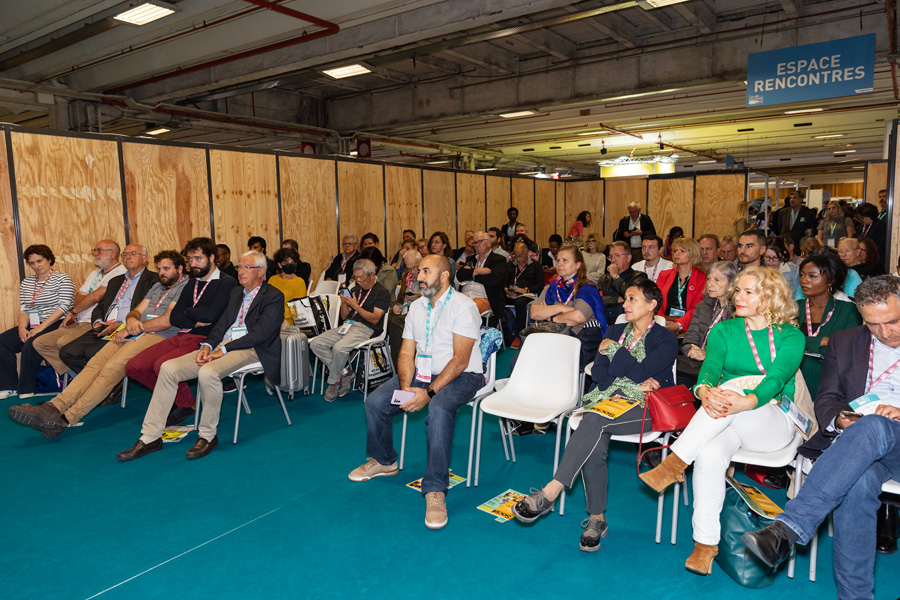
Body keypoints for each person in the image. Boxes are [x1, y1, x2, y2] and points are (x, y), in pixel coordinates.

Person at [639, 266, 805, 576]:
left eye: (747, 292)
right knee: (709, 455)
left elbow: (778, 377)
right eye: (737, 290)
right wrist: (703, 391)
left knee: (732, 388)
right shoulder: (723, 331)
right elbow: (709, 369)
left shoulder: (791, 335)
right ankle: (705, 545)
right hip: (726, 415)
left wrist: (747, 399)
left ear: (769, 299)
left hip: (772, 420)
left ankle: (674, 463)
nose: (737, 296)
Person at [742, 276, 900, 598]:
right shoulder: (845, 341)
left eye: (894, 321)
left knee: (873, 427)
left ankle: (788, 529)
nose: (885, 333)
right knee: (859, 482)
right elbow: (826, 398)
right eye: (873, 324)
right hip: (857, 444)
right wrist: (840, 419)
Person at [511, 279, 677, 551]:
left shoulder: (666, 339)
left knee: (594, 421)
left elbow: (637, 371)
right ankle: (597, 518)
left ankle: (551, 490)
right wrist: (631, 377)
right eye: (625, 299)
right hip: (607, 402)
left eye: (632, 299)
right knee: (595, 430)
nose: (624, 304)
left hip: (646, 407)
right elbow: (599, 373)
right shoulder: (614, 329)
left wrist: (614, 352)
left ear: (652, 304)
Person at [348, 254, 484, 530]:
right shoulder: (418, 307)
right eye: (419, 271)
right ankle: (384, 460)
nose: (419, 276)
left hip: (463, 375)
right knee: (375, 402)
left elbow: (459, 361)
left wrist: (428, 393)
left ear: (444, 276)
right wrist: (408, 386)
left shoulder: (463, 307)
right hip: (422, 375)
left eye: (426, 271)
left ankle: (435, 488)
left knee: (438, 410)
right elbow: (407, 351)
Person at [116, 251, 284, 461]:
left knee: (208, 372)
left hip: (252, 348)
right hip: (223, 345)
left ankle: (207, 435)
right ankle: (150, 436)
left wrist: (223, 349)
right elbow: (221, 324)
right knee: (168, 368)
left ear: (260, 271)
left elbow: (261, 333)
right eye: (239, 267)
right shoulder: (236, 293)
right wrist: (207, 345)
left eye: (246, 267)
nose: (240, 271)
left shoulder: (274, 296)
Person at [7, 251, 188, 439]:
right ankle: (53, 407)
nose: (162, 273)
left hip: (159, 335)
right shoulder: (158, 285)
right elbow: (135, 311)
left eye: (166, 269)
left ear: (180, 268)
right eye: (159, 269)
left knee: (110, 369)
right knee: (94, 364)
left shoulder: (185, 286)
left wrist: (132, 327)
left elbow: (166, 321)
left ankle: (65, 419)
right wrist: (131, 322)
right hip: (134, 331)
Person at [125, 237, 239, 427]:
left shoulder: (226, 282)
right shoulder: (190, 283)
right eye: (190, 259)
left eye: (197, 259)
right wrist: (193, 316)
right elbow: (175, 317)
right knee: (133, 366)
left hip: (205, 338)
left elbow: (212, 315)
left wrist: (188, 312)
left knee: (161, 365)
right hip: (181, 334)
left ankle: (184, 404)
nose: (192, 264)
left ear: (211, 257)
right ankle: (180, 401)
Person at [33, 240, 125, 385]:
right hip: (79, 319)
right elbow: (78, 298)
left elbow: (96, 297)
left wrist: (74, 310)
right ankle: (80, 377)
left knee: (63, 344)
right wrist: (79, 307)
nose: (95, 254)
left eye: (99, 251)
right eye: (94, 250)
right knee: (40, 343)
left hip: (94, 322)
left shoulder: (121, 272)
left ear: (113, 253)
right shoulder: (95, 273)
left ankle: (96, 381)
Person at [56, 244, 156, 375]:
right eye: (125, 255)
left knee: (91, 353)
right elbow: (100, 306)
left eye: (133, 254)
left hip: (126, 328)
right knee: (67, 352)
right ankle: (103, 383)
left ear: (145, 259)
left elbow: (151, 310)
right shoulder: (115, 281)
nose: (128, 257)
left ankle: (106, 383)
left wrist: (121, 325)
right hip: (104, 326)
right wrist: (97, 322)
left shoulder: (154, 280)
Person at [310, 258, 391, 401]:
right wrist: (344, 304)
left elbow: (375, 319)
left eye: (361, 277)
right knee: (316, 343)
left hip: (366, 328)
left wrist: (356, 306)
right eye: (356, 277)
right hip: (347, 325)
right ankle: (345, 372)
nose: (358, 281)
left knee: (339, 348)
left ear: (372, 275)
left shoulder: (382, 292)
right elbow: (345, 316)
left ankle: (333, 382)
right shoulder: (354, 290)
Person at [0, 245, 75, 400]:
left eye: (39, 261)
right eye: (32, 263)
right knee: (2, 341)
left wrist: (41, 327)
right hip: (33, 323)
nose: (36, 266)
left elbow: (63, 307)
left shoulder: (63, 278)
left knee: (31, 343)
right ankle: (8, 386)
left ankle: (26, 388)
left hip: (57, 322)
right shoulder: (27, 282)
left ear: (49, 259)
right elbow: (24, 308)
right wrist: (22, 328)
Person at [796, 252, 861, 397]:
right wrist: (821, 341)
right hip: (795, 375)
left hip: (830, 377)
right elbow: (781, 341)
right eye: (802, 275)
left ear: (830, 281)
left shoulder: (848, 309)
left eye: (812, 276)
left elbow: (849, 347)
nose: (804, 280)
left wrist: (802, 344)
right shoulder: (793, 308)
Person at [530, 246, 608, 350]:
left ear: (578, 264)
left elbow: (578, 317)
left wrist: (550, 317)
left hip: (582, 342)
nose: (559, 264)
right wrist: (560, 308)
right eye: (558, 260)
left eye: (565, 260)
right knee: (521, 357)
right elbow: (534, 312)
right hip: (557, 336)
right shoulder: (553, 287)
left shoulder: (587, 287)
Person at [679, 261, 738, 387]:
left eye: (717, 280)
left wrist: (707, 355)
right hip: (695, 364)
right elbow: (689, 339)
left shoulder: (738, 312)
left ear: (732, 283)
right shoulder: (703, 306)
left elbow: (736, 352)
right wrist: (691, 351)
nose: (710, 284)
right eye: (709, 279)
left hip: (722, 370)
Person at [655, 237, 707, 334]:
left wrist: (678, 324)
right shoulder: (664, 275)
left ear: (693, 254)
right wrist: (662, 322)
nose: (677, 254)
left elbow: (697, 307)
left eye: (682, 251)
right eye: (675, 251)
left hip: (690, 327)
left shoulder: (702, 278)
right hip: (664, 324)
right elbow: (657, 302)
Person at [456, 231, 507, 324]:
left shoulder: (498, 259)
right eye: (475, 242)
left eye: (480, 241)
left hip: (485, 299)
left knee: (467, 310)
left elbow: (494, 279)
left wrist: (472, 275)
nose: (477, 245)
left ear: (488, 243)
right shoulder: (470, 259)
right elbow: (460, 275)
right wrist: (478, 271)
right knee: (448, 308)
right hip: (463, 298)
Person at [504, 241, 544, 346]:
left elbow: (540, 285)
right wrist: (506, 290)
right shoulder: (510, 266)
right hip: (512, 294)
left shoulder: (536, 266)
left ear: (527, 253)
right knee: (497, 299)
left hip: (528, 295)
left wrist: (526, 290)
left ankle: (519, 334)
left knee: (520, 303)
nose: (518, 259)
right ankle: (503, 333)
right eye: (515, 256)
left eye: (520, 255)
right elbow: (504, 282)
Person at [387, 250, 422, 366]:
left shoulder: (429, 276)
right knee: (386, 317)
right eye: (409, 268)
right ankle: (397, 363)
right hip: (405, 311)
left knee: (395, 322)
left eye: (415, 267)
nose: (412, 271)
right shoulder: (406, 276)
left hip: (420, 311)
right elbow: (401, 298)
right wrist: (398, 305)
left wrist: (421, 297)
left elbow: (436, 297)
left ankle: (403, 364)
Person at [597, 241, 643, 323]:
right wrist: (616, 300)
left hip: (627, 323)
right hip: (604, 322)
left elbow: (630, 296)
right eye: (611, 256)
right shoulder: (604, 279)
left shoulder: (638, 276)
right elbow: (596, 299)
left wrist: (615, 276)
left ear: (628, 258)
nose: (613, 260)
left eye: (617, 256)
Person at [267, 247, 308, 324]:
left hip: (288, 322)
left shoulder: (299, 282)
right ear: (279, 265)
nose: (289, 265)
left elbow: (299, 309)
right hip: (270, 317)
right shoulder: (272, 280)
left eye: (292, 263)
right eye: (286, 263)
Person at [856, 202, 887, 267]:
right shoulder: (861, 226)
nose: (861, 220)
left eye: (862, 218)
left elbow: (880, 246)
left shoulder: (881, 226)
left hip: (875, 261)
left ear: (869, 216)